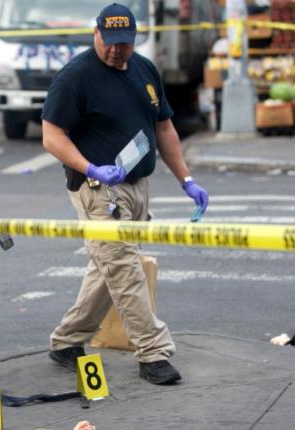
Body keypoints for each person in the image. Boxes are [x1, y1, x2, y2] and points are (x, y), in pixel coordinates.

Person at [41, 3, 209, 385]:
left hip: (137, 186)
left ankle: (66, 341)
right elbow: (52, 136)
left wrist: (187, 181)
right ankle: (153, 351)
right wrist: (89, 168)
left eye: (125, 43)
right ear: (95, 34)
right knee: (123, 267)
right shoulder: (75, 77)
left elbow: (164, 129)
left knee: (109, 266)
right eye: (110, 42)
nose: (117, 50)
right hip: (98, 189)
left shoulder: (144, 70)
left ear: (134, 39)